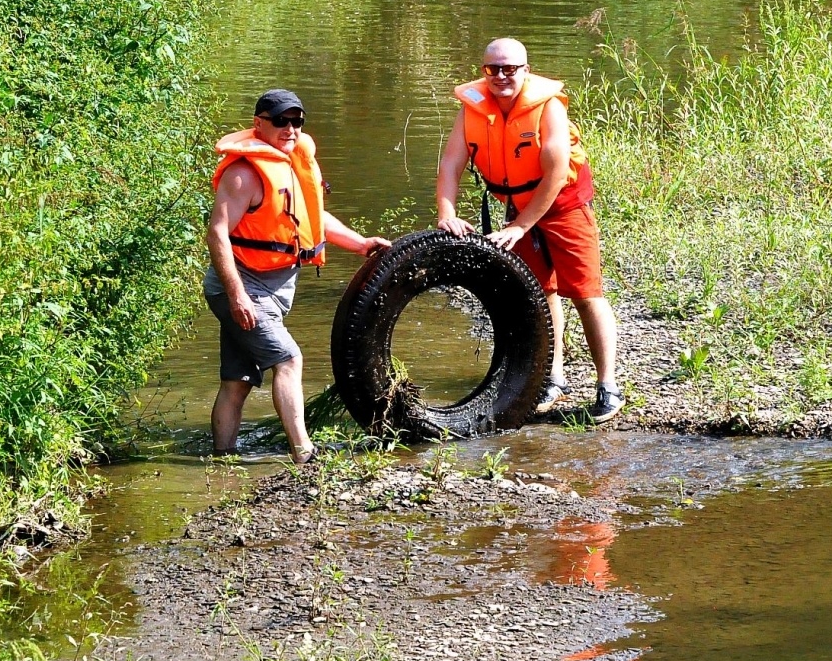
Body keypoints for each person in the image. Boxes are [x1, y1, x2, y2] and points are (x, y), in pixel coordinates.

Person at [434, 39, 621, 422]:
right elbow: (451, 163)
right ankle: (552, 377)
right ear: (484, 71)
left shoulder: (547, 107)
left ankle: (608, 386)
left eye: (510, 69)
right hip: (518, 205)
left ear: (525, 69)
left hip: (563, 203)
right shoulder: (472, 109)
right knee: (541, 292)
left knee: (586, 294)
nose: (501, 76)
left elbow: (554, 175)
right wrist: (446, 213)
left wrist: (521, 227)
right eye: (493, 70)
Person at [205, 89, 390, 461]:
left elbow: (311, 219)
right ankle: (304, 453)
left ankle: (222, 460)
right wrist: (237, 294)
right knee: (288, 359)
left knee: (237, 381)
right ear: (258, 124)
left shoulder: (291, 162)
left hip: (273, 286)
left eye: (296, 121)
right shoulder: (245, 174)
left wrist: (359, 244)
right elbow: (217, 233)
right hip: (242, 288)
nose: (290, 129)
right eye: (280, 121)